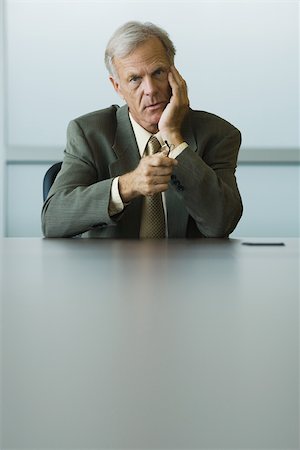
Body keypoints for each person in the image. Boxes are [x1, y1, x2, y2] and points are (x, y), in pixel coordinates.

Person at [41, 21, 243, 238]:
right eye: (135, 79)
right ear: (117, 87)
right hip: (110, 270)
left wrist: (174, 138)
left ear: (176, 76)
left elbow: (221, 223)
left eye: (158, 73)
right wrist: (128, 186)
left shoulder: (217, 135)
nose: (150, 90)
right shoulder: (89, 133)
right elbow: (53, 219)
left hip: (187, 270)